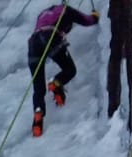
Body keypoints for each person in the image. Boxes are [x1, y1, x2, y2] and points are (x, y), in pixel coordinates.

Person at [28, 5, 100, 136]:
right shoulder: (66, 9)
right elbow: (86, 20)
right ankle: (56, 81)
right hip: (50, 36)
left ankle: (38, 115)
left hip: (33, 42)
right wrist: (95, 16)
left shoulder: (43, 13)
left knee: (38, 87)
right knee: (70, 70)